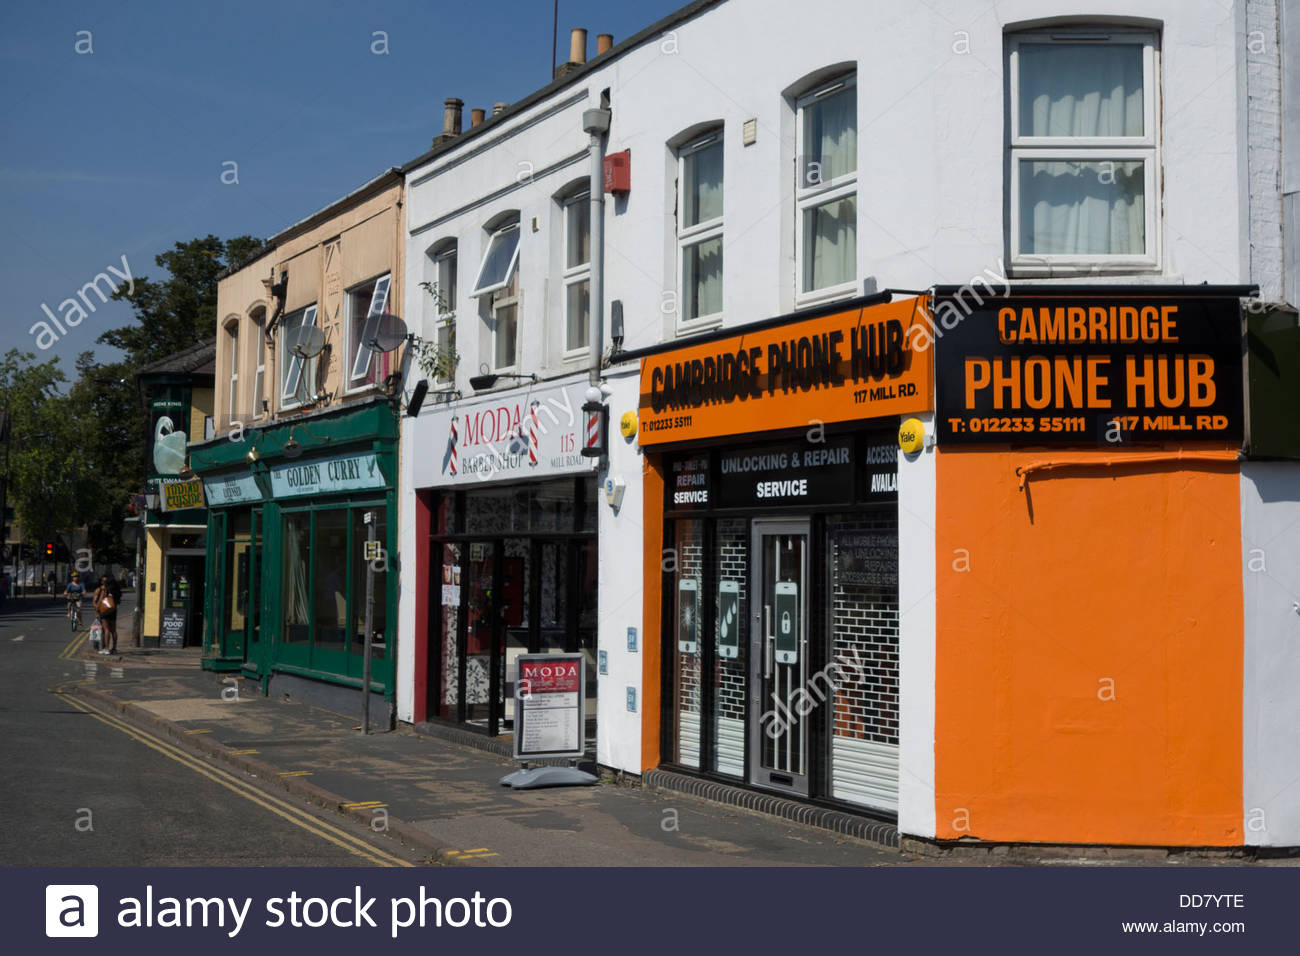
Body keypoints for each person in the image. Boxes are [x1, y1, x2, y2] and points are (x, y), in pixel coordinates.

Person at [93, 574, 121, 655]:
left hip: (105, 610)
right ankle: (114, 648)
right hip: (113, 610)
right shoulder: (115, 590)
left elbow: (101, 600)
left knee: (106, 630)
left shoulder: (105, 589)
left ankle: (107, 648)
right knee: (114, 630)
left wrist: (98, 607)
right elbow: (117, 601)